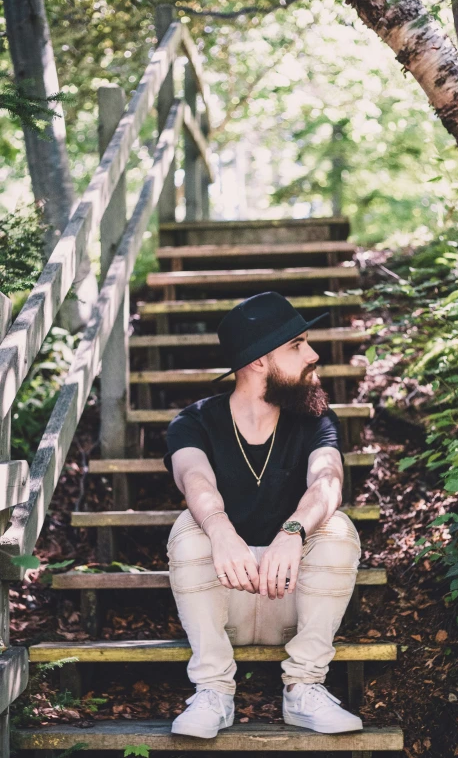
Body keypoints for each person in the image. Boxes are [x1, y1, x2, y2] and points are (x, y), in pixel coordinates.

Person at [164, 291, 363, 739]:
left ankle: (305, 687)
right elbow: (194, 478)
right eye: (297, 345)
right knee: (189, 527)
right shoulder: (193, 422)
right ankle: (213, 692)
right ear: (258, 361)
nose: (313, 355)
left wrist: (293, 532)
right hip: (224, 605)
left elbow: (327, 479)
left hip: (292, 601)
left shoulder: (314, 419)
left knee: (337, 526)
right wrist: (220, 530)